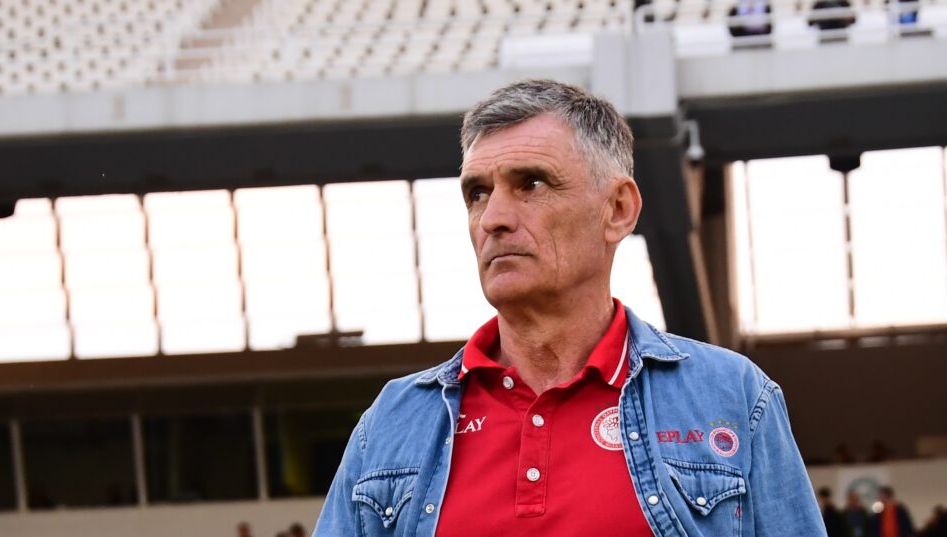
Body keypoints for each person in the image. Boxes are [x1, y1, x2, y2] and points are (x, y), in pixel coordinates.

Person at [313, 79, 826, 536]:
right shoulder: (393, 420)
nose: (493, 218)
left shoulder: (732, 396)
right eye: (478, 193)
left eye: (531, 184)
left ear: (618, 210)